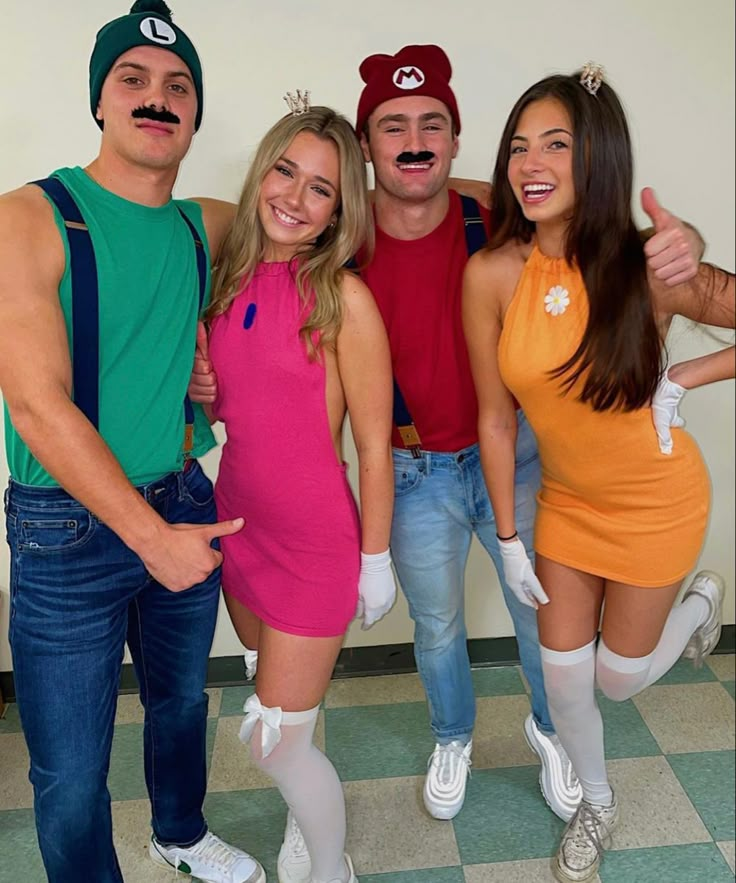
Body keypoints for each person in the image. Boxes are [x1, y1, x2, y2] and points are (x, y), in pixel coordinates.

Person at [189, 46, 705, 840]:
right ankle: (452, 736)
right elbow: (230, 244)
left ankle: (551, 732)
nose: (414, 140)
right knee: (436, 627)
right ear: (367, 148)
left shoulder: (493, 215)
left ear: (458, 142)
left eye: (433, 123)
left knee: (542, 624)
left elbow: (598, 224)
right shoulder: (334, 233)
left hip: (517, 454)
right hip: (410, 465)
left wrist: (683, 242)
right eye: (393, 126)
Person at [0, 2, 265, 881]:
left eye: (178, 85)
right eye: (134, 80)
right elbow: (38, 408)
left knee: (180, 704)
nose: (158, 98)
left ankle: (179, 833)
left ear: (195, 112)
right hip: (65, 531)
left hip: (182, 497)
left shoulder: (205, 224)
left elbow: (337, 211)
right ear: (100, 102)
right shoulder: (27, 217)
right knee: (70, 772)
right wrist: (149, 540)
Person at [462, 63, 734, 883]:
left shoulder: (651, 262)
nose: (531, 162)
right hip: (568, 508)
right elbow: (495, 416)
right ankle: (598, 802)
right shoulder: (491, 275)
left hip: (657, 503)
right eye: (519, 146)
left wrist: (685, 376)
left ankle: (699, 605)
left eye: (557, 144)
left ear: (599, 157)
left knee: (618, 680)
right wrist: (509, 536)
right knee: (565, 681)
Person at [201, 100, 395, 883]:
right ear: (262, 172)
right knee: (277, 705)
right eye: (286, 170)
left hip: (314, 542)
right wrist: (197, 384)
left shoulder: (344, 298)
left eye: (322, 188)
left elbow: (376, 449)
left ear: (339, 210)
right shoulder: (222, 277)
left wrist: (374, 557)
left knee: (272, 739)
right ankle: (303, 813)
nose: (295, 195)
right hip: (237, 527)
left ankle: (328, 867)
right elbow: (232, 410)